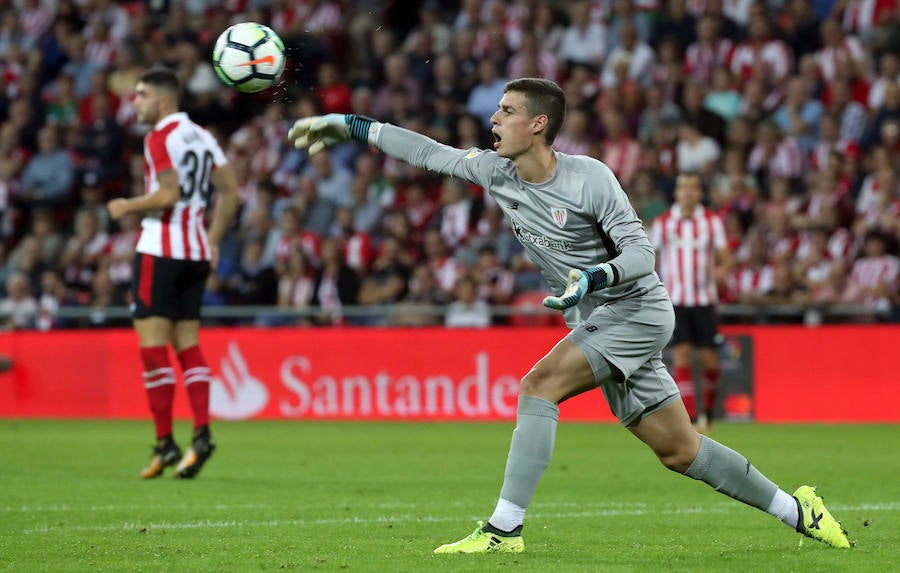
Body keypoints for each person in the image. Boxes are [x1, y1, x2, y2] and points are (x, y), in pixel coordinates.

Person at [287, 78, 851, 554]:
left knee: (539, 384)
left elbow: (640, 255)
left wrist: (593, 277)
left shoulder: (590, 177)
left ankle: (504, 529)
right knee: (680, 450)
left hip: (635, 308)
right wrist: (352, 124)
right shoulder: (497, 172)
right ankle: (796, 509)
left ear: (538, 124)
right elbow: (429, 152)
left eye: (506, 112)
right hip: (597, 319)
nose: (494, 119)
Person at [106, 68, 240, 480]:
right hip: (195, 251)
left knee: (153, 350)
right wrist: (213, 239)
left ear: (164, 100)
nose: (136, 102)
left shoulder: (160, 137)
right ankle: (201, 435)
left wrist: (125, 206)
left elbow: (168, 195)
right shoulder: (202, 136)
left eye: (142, 95)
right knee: (188, 346)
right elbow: (231, 192)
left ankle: (165, 443)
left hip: (160, 248)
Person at [650, 173, 733, 430]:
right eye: (682, 187)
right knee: (682, 355)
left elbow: (726, 257)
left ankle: (708, 410)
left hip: (704, 301)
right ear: (676, 193)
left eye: (692, 188)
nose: (687, 192)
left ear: (699, 193)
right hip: (674, 300)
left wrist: (722, 270)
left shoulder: (711, 222)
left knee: (710, 360)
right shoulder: (663, 223)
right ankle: (692, 419)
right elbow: (649, 257)